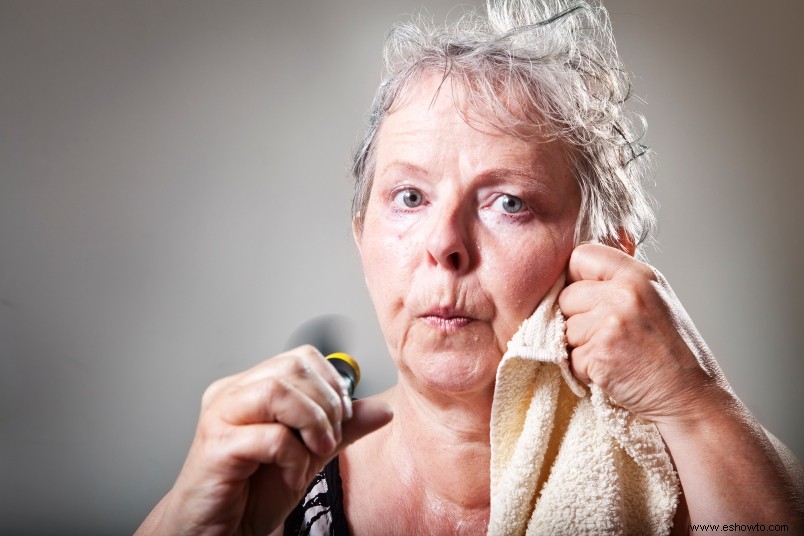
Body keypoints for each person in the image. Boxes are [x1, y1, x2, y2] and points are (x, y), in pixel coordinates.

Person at [137, 1, 803, 534]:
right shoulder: (273, 484)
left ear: (607, 259)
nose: (445, 244)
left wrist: (693, 402)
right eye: (410, 197)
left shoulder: (690, 483)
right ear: (363, 239)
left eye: (508, 202)